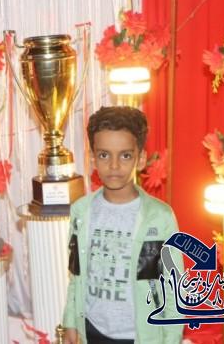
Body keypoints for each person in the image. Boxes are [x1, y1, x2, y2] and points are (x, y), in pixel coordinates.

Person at [62, 106, 183, 344]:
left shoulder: (159, 217)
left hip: (142, 335)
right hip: (92, 331)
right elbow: (76, 275)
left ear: (140, 159)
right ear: (92, 158)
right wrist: (70, 321)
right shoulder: (81, 211)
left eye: (125, 155)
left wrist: (172, 339)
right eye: (104, 155)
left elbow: (173, 288)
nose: (114, 165)